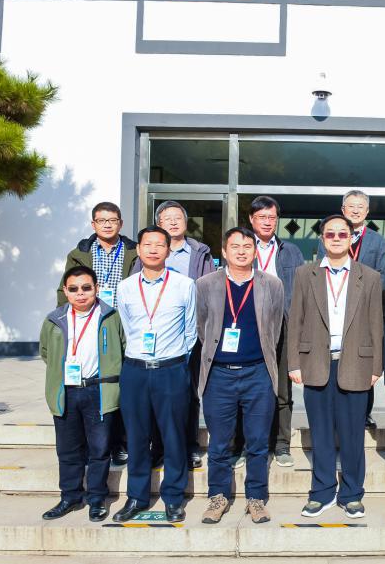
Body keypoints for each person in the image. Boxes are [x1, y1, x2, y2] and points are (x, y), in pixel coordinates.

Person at [288, 215, 383, 518]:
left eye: (343, 234)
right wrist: (294, 362)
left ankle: (352, 494)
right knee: (321, 434)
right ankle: (322, 492)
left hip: (356, 364)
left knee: (353, 436)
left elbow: (376, 324)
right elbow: (295, 319)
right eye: (331, 234)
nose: (337, 238)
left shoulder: (370, 276)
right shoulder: (305, 274)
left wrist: (377, 366)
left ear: (352, 238)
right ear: (322, 239)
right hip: (316, 363)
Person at [196, 227, 285, 525]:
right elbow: (201, 326)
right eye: (235, 246)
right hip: (219, 374)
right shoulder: (206, 284)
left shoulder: (271, 284)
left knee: (258, 442)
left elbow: (275, 328)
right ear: (224, 251)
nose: (242, 251)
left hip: (258, 373)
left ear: (255, 251)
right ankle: (218, 496)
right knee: (219, 443)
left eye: (247, 246)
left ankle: (256, 498)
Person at [112, 226, 197, 523]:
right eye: (147, 244)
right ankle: (136, 497)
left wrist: (174, 359)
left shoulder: (184, 285)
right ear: (138, 249)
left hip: (171, 369)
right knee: (137, 436)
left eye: (159, 244)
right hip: (135, 370)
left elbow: (191, 330)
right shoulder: (125, 287)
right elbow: (125, 328)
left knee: (174, 436)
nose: (153, 249)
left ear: (168, 250)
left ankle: (173, 497)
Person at [40, 266, 125, 523]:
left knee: (99, 449)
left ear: (96, 288)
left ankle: (96, 498)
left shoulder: (111, 316)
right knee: (68, 450)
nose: (80, 293)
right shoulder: (54, 320)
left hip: (98, 390)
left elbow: (123, 348)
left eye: (86, 288)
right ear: (65, 291)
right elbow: (46, 352)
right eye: (74, 289)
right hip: (66, 391)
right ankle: (70, 496)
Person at [57, 202, 138, 468]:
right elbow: (64, 290)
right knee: (96, 386)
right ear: (93, 224)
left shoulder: (134, 251)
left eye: (112, 220)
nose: (107, 225)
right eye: (101, 220)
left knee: (121, 384)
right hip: (90, 324)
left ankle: (119, 443)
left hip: (122, 324)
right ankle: (92, 444)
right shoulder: (79, 253)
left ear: (120, 223)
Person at [149, 200, 215, 471]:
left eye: (178, 217)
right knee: (157, 393)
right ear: (159, 224)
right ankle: (159, 447)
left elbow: (211, 290)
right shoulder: (151, 251)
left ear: (186, 223)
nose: (174, 222)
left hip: (191, 331)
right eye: (168, 218)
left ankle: (189, 445)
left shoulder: (200, 253)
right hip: (159, 333)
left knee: (189, 392)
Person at [316, 190, 385, 429]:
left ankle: (365, 413)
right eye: (351, 206)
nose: (356, 210)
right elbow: (320, 269)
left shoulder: (377, 240)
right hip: (334, 305)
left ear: (367, 211)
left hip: (363, 309)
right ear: (343, 209)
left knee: (363, 358)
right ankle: (334, 411)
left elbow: (382, 275)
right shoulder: (330, 236)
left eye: (360, 207)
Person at [248, 195, 305, 468]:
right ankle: (246, 444)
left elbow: (302, 289)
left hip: (283, 323)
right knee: (249, 389)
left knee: (282, 390)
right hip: (250, 324)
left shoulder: (290, 251)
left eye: (272, 217)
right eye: (262, 217)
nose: (267, 222)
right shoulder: (243, 245)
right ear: (251, 219)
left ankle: (282, 444)